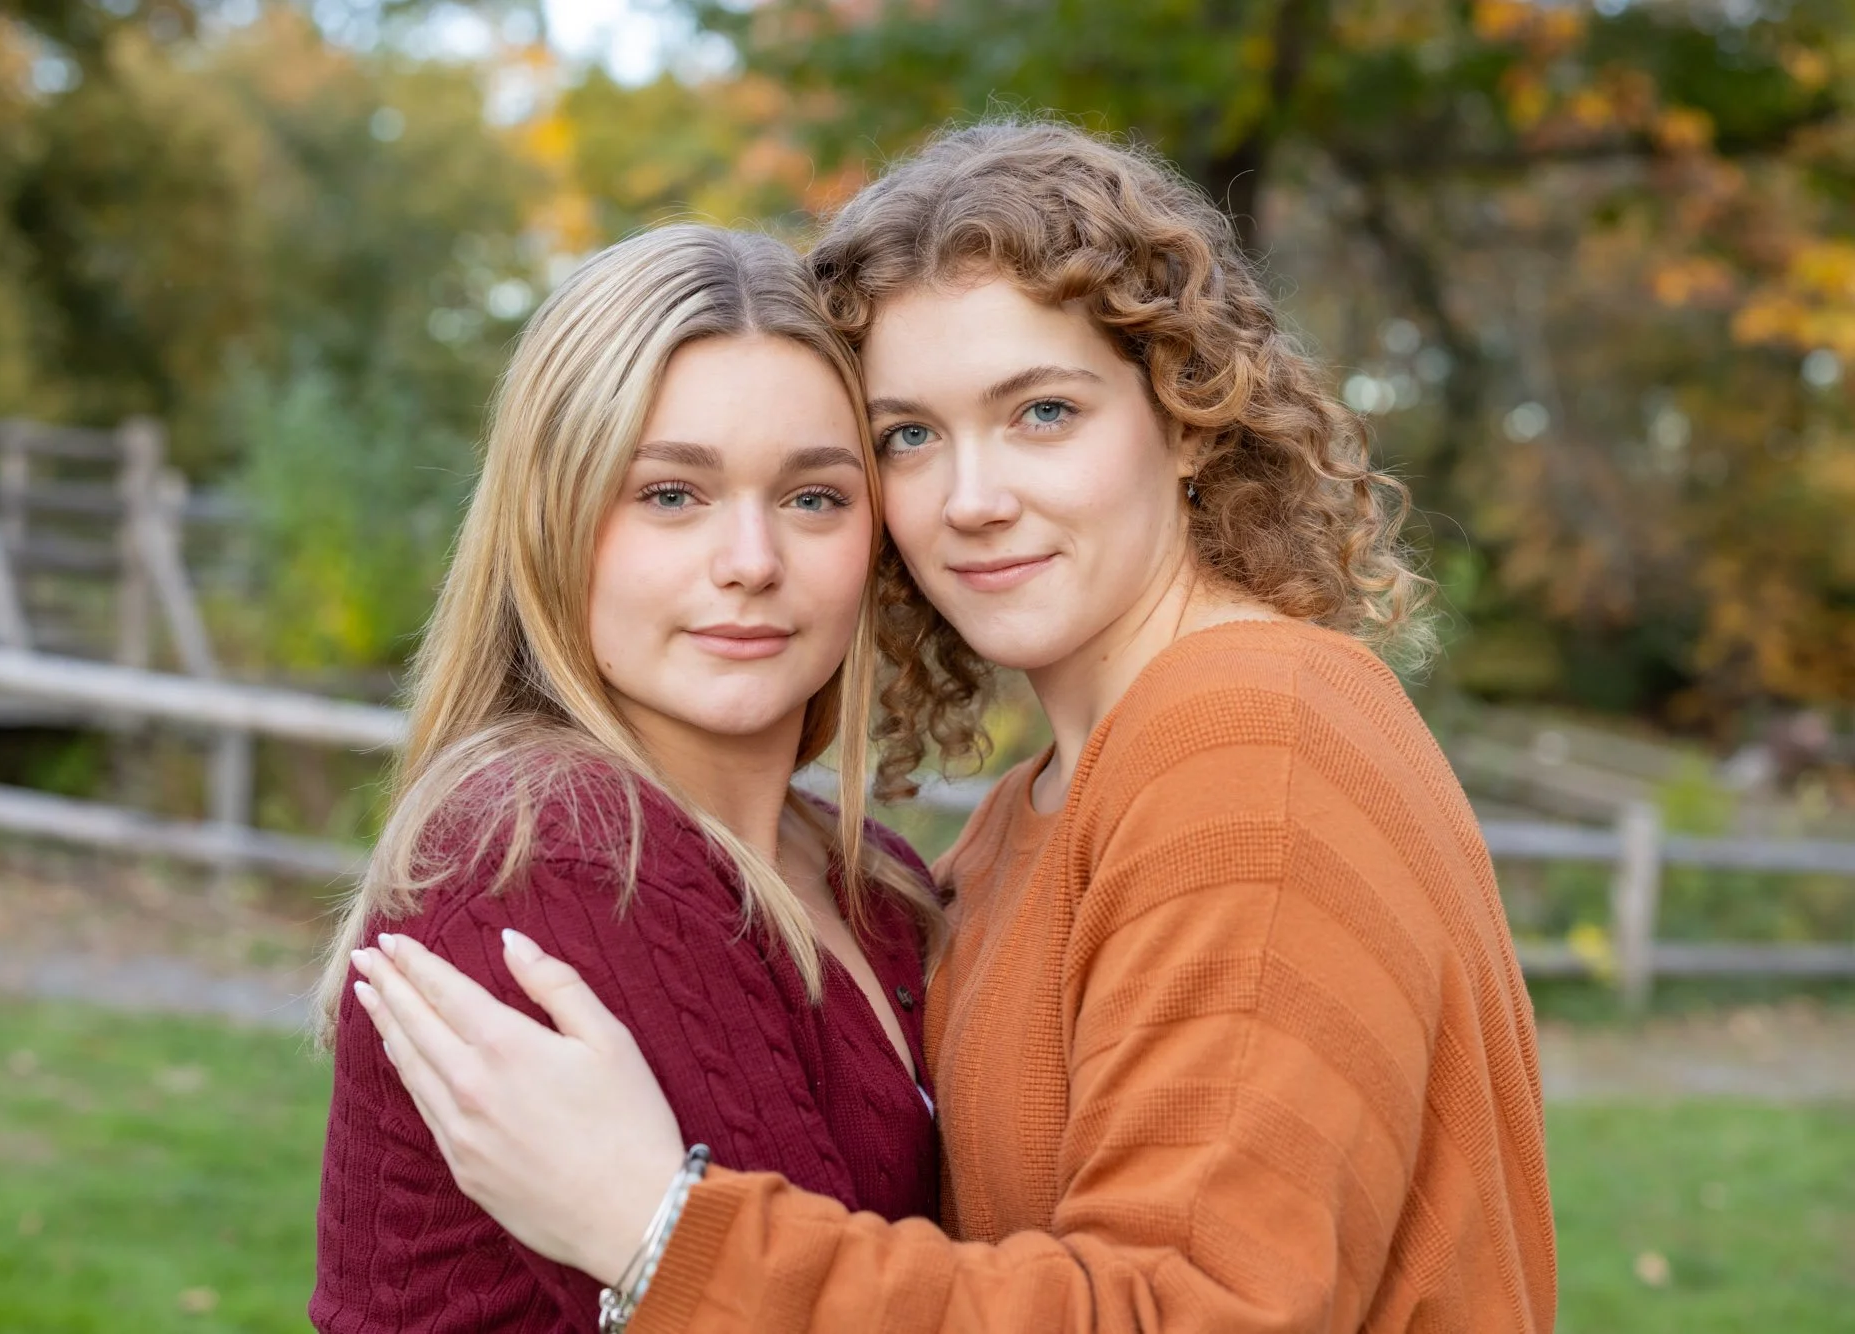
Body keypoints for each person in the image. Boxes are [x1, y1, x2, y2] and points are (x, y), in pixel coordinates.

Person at [353, 121, 1558, 1333]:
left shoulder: (1253, 738)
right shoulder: (1001, 833)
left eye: (1041, 412)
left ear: (1188, 413)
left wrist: (657, 1228)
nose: (972, 501)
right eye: (909, 437)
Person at [314, 224, 946, 1333]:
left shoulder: (874, 880)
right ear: (553, 517)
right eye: (669, 493)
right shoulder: (553, 855)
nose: (749, 560)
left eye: (813, 497)